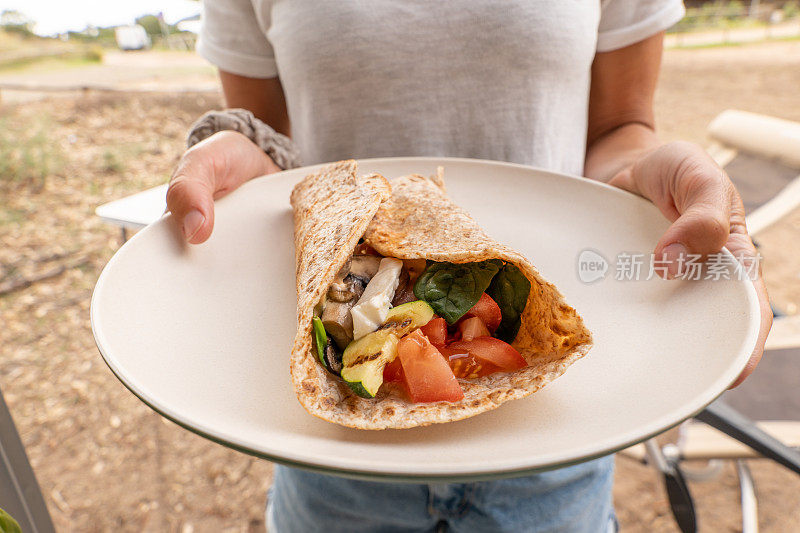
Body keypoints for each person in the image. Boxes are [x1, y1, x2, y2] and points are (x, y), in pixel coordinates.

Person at [165, 2, 772, 531]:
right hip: (333, 458)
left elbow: (619, 127)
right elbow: (275, 142)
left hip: (552, 441)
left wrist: (648, 176)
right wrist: (244, 153)